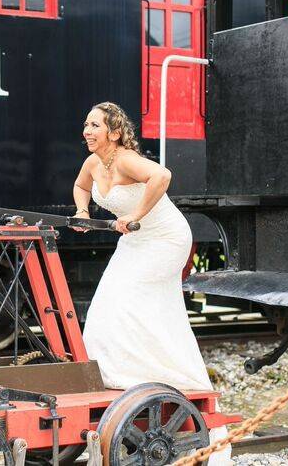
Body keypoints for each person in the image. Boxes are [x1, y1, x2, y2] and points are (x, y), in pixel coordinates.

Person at [73, 102, 231, 464]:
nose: (87, 131)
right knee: (105, 304)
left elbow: (162, 176)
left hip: (164, 238)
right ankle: (124, 386)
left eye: (94, 125)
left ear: (113, 132)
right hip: (136, 240)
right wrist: (82, 211)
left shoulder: (126, 159)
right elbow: (81, 187)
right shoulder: (94, 163)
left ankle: (153, 379)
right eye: (86, 124)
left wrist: (135, 214)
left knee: (129, 300)